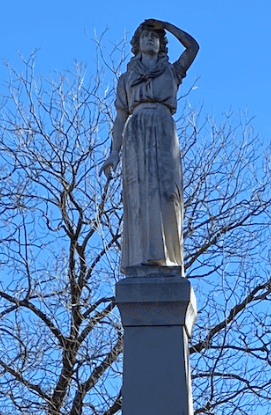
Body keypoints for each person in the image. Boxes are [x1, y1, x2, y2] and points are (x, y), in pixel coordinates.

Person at [102, 19, 199, 274]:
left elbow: (193, 48)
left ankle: (168, 259)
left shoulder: (172, 71)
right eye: (145, 36)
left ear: (162, 44)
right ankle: (141, 259)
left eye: (155, 37)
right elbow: (121, 116)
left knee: (167, 194)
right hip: (136, 133)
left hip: (164, 128)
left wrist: (167, 25)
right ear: (136, 43)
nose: (150, 39)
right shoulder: (126, 78)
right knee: (139, 196)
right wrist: (114, 153)